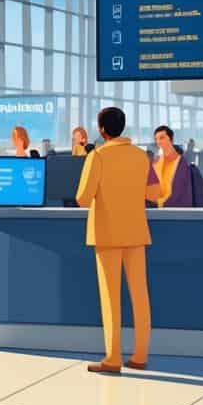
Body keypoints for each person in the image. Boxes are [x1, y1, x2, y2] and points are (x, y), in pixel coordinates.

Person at [75, 106, 161, 375]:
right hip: (136, 232)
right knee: (140, 295)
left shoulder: (97, 156)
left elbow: (82, 199)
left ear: (102, 130)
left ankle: (113, 358)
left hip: (107, 234)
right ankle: (141, 355)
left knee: (111, 298)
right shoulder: (141, 156)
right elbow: (155, 191)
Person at [151, 125, 193, 208]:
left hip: (174, 210)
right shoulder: (157, 163)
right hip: (159, 208)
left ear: (171, 139)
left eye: (162, 138)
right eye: (156, 139)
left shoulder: (182, 164)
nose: (158, 142)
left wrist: (158, 203)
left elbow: (178, 192)